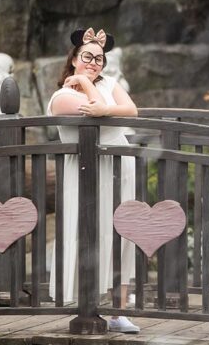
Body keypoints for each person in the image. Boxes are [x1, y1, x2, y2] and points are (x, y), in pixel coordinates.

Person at [47, 27, 140, 334]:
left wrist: (99, 95)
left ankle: (119, 311)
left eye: (99, 59)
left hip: (119, 165)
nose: (94, 63)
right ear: (73, 59)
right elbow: (97, 112)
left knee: (122, 234)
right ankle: (88, 305)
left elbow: (131, 112)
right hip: (87, 170)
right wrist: (88, 83)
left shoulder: (110, 83)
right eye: (87, 57)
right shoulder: (62, 96)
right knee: (90, 230)